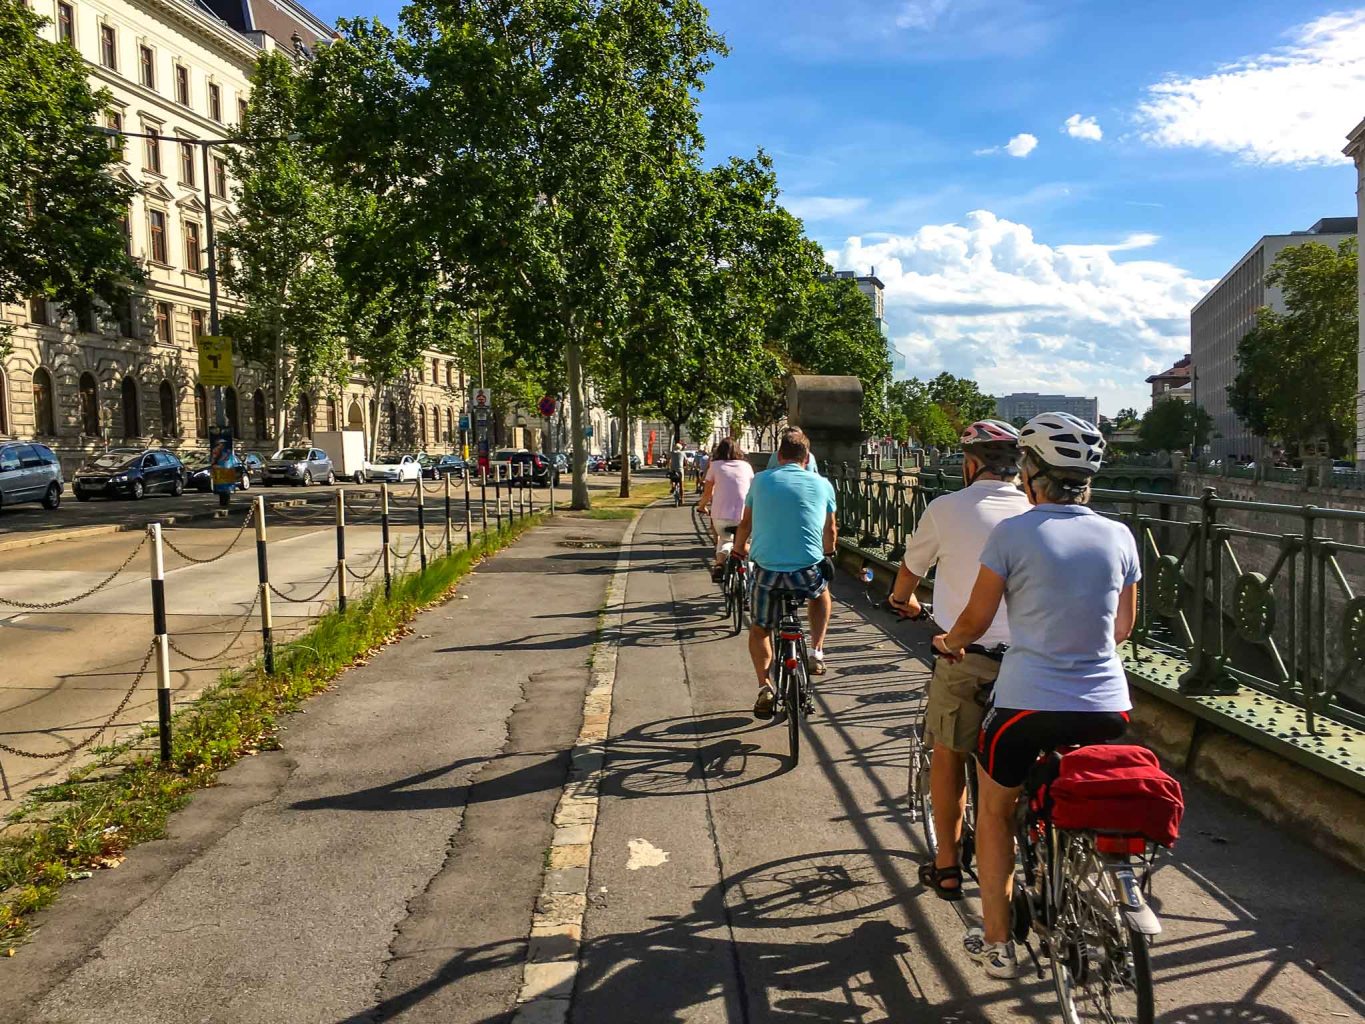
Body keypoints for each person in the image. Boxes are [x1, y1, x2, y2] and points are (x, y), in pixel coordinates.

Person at [932, 412, 1138, 979]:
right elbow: (1122, 627)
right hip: (1108, 708)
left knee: (996, 811)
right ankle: (1081, 875)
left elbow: (975, 618)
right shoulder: (1120, 536)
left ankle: (997, 943)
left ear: (1030, 474)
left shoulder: (1014, 533)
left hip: (1026, 705)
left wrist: (949, 642)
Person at [888, 420, 1028, 902]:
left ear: (970, 464)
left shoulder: (946, 507)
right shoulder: (1038, 509)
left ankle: (947, 863)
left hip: (967, 653)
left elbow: (911, 571)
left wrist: (902, 599)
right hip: (1035, 663)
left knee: (948, 753)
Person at [734, 427, 837, 717]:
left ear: (779, 457)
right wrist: (829, 556)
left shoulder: (760, 481)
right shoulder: (823, 484)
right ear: (807, 458)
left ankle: (765, 685)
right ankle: (817, 651)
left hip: (767, 571)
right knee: (821, 595)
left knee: (760, 628)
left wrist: (738, 550)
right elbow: (829, 530)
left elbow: (745, 525)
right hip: (805, 569)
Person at [697, 439, 753, 581]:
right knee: (743, 542)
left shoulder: (715, 466)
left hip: (721, 516)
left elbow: (708, 491)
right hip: (744, 516)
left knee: (724, 539)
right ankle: (753, 571)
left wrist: (702, 506)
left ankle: (719, 565)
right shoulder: (746, 466)